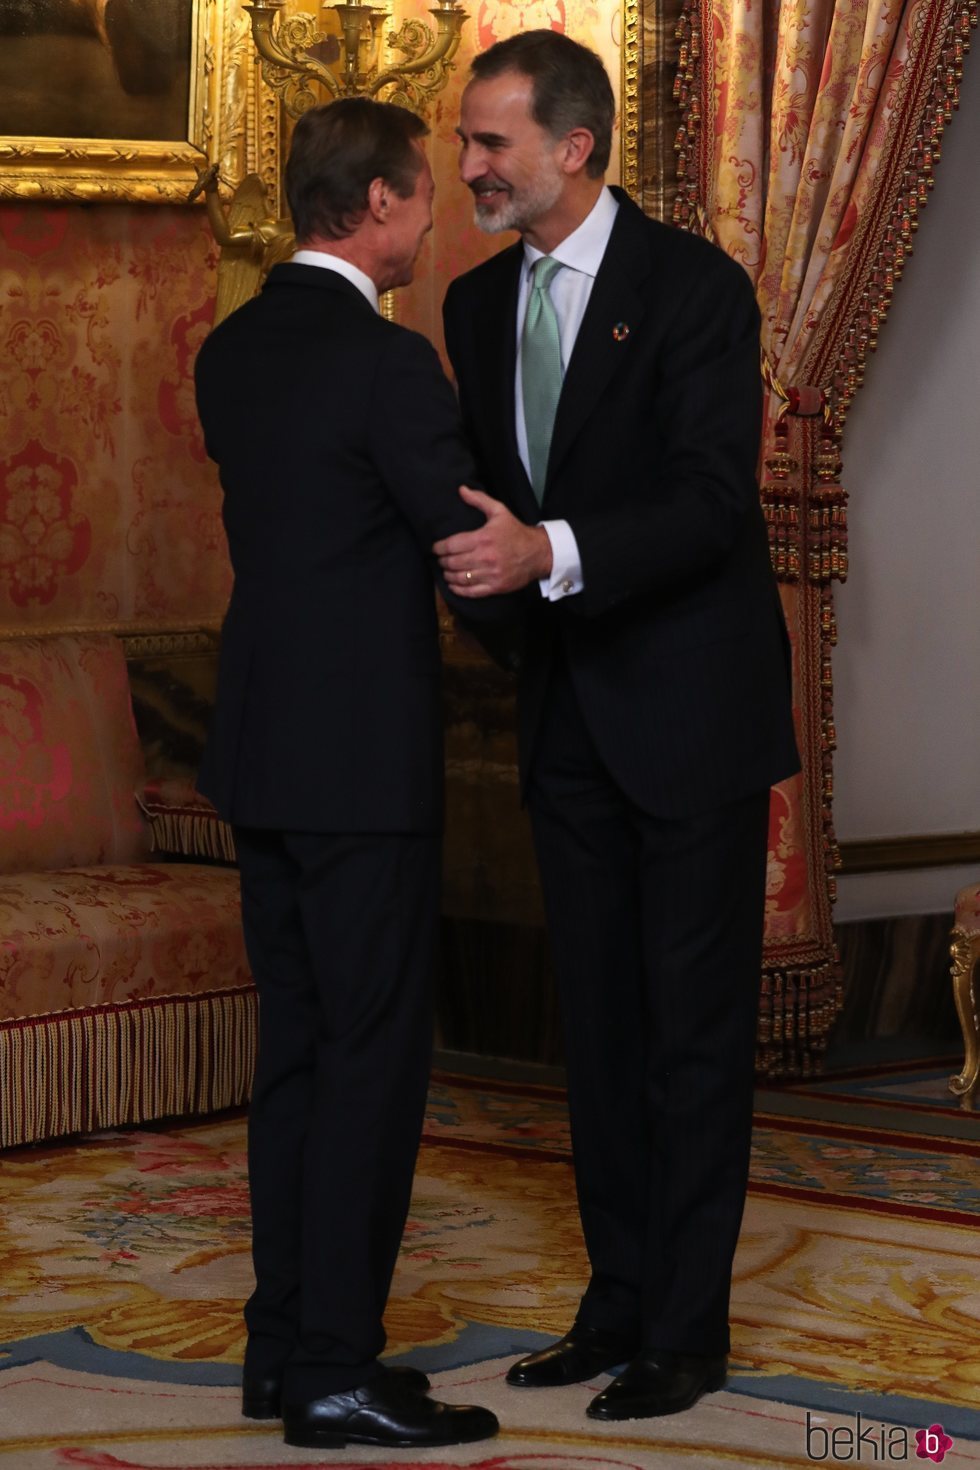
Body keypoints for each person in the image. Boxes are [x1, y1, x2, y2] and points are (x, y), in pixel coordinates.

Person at [434, 30, 801, 1421]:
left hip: (692, 714)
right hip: (566, 713)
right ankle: (614, 1300)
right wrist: (507, 604)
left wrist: (555, 553)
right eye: (469, 144)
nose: (470, 163)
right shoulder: (473, 309)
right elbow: (480, 506)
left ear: (572, 147)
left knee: (690, 1032)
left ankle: (685, 1331)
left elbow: (715, 501)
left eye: (490, 142)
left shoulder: (698, 290)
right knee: (593, 1026)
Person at [194, 97, 505, 1452]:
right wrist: (560, 593)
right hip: (364, 766)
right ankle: (334, 1367)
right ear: (374, 203)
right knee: (372, 1065)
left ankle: (281, 1349)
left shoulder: (232, 349)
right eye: (423, 194)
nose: (432, 217)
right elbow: (463, 547)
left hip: (262, 750)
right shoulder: (391, 366)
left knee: (300, 1057)